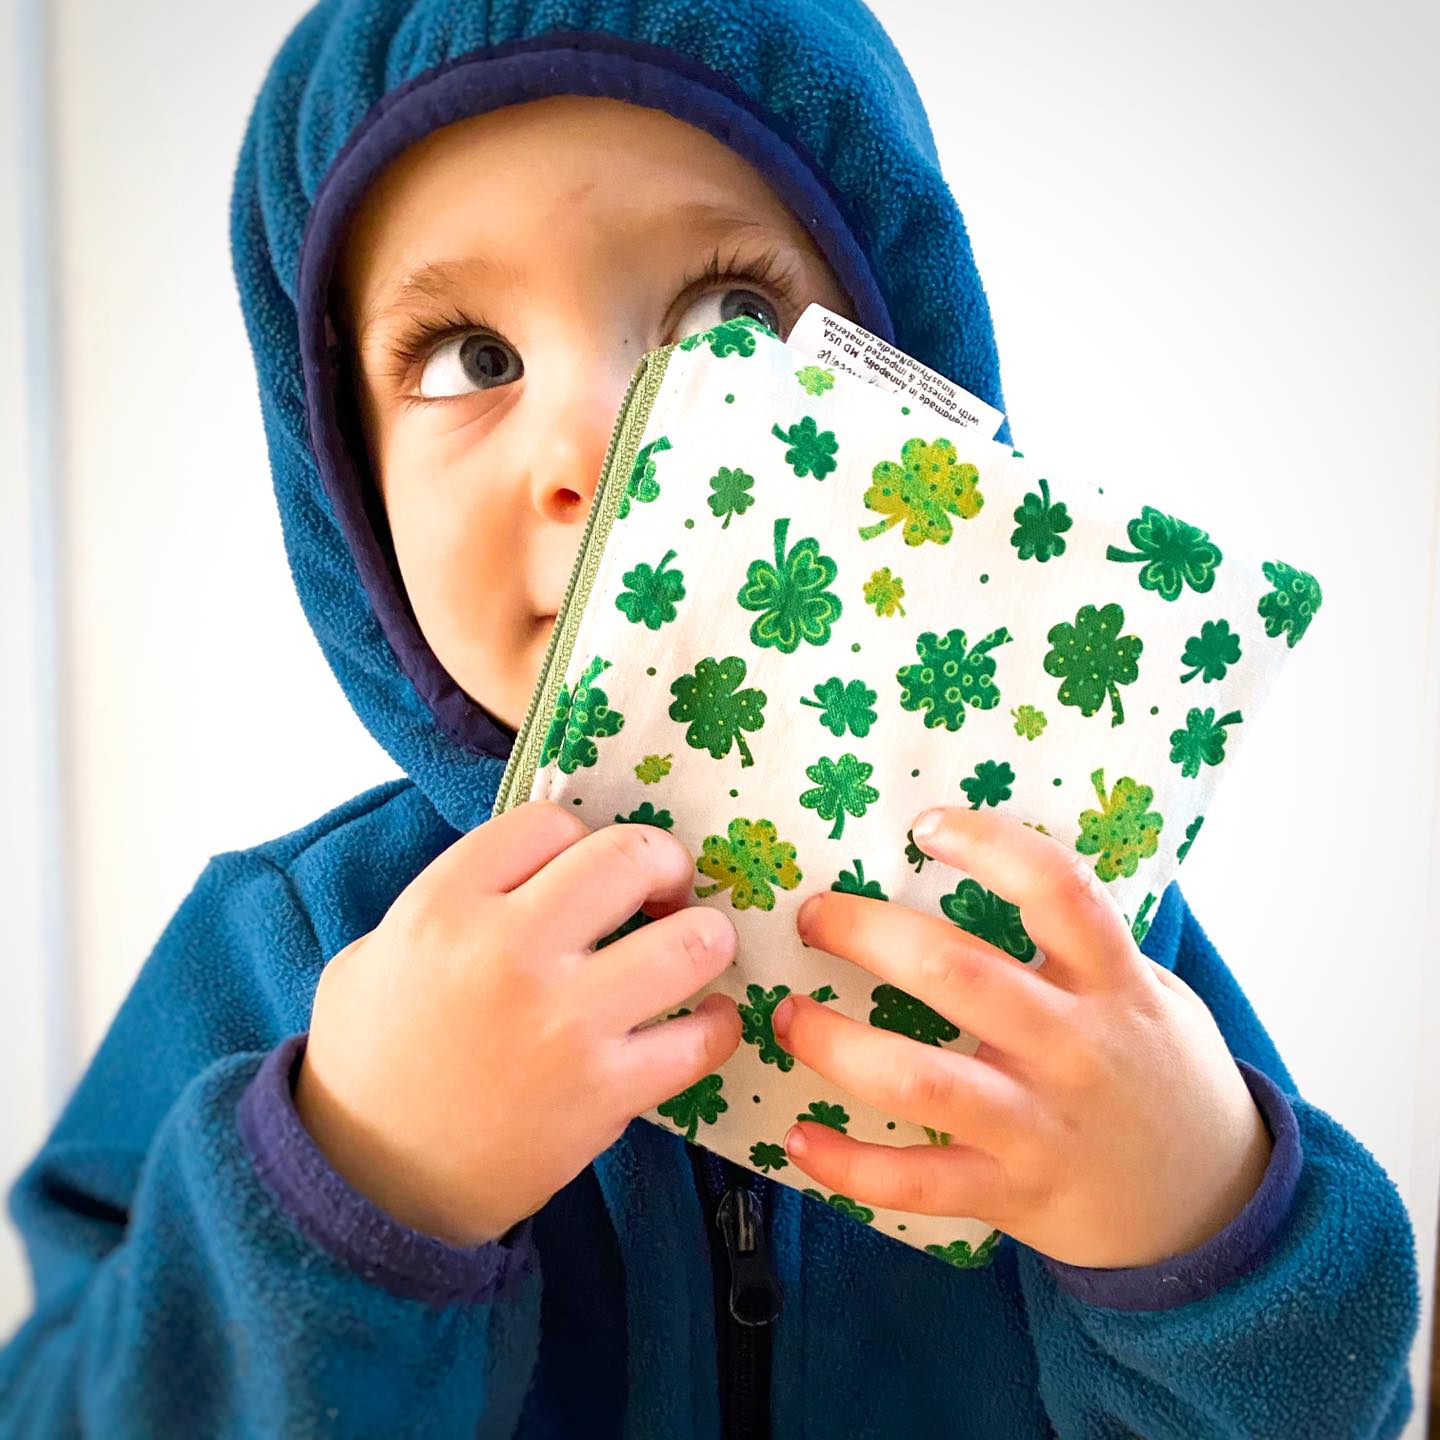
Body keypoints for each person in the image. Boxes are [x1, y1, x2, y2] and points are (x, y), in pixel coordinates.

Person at [0, 2, 1421, 1435]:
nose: (600, 443)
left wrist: (1200, 1229)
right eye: (470, 356)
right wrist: (359, 1194)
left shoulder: (1065, 947)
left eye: (729, 323)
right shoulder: (289, 954)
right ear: (346, 489)